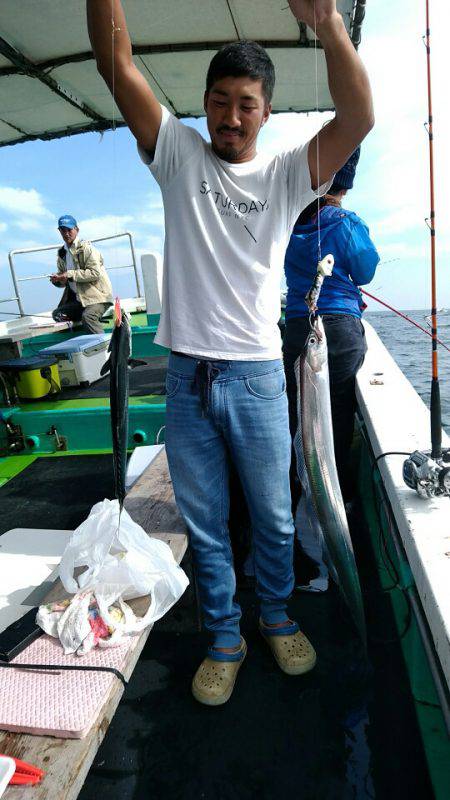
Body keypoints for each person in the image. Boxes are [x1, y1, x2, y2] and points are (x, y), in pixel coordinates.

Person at [88, 0, 374, 705]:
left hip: (256, 381)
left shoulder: (286, 177)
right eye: (220, 101)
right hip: (186, 380)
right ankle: (225, 635)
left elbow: (359, 117)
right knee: (207, 524)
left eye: (246, 104)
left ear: (266, 112)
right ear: (205, 106)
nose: (231, 116)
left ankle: (275, 615)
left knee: (275, 516)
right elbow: (116, 64)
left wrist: (329, 23)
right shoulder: (178, 156)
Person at [283, 148, 379, 586]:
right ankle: (328, 547)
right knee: (332, 432)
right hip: (337, 331)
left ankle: (296, 542)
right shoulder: (346, 224)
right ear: (345, 185)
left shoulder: (292, 226)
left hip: (298, 329)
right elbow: (366, 270)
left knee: (298, 430)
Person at [50, 214, 113, 334]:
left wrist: (68, 275)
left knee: (88, 316)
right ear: (59, 231)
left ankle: (103, 348)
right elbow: (64, 281)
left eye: (69, 230)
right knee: (57, 315)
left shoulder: (88, 249)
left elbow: (95, 273)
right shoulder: (62, 253)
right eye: (63, 230)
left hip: (98, 298)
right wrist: (58, 280)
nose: (66, 233)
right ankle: (80, 341)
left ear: (76, 230)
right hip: (80, 300)